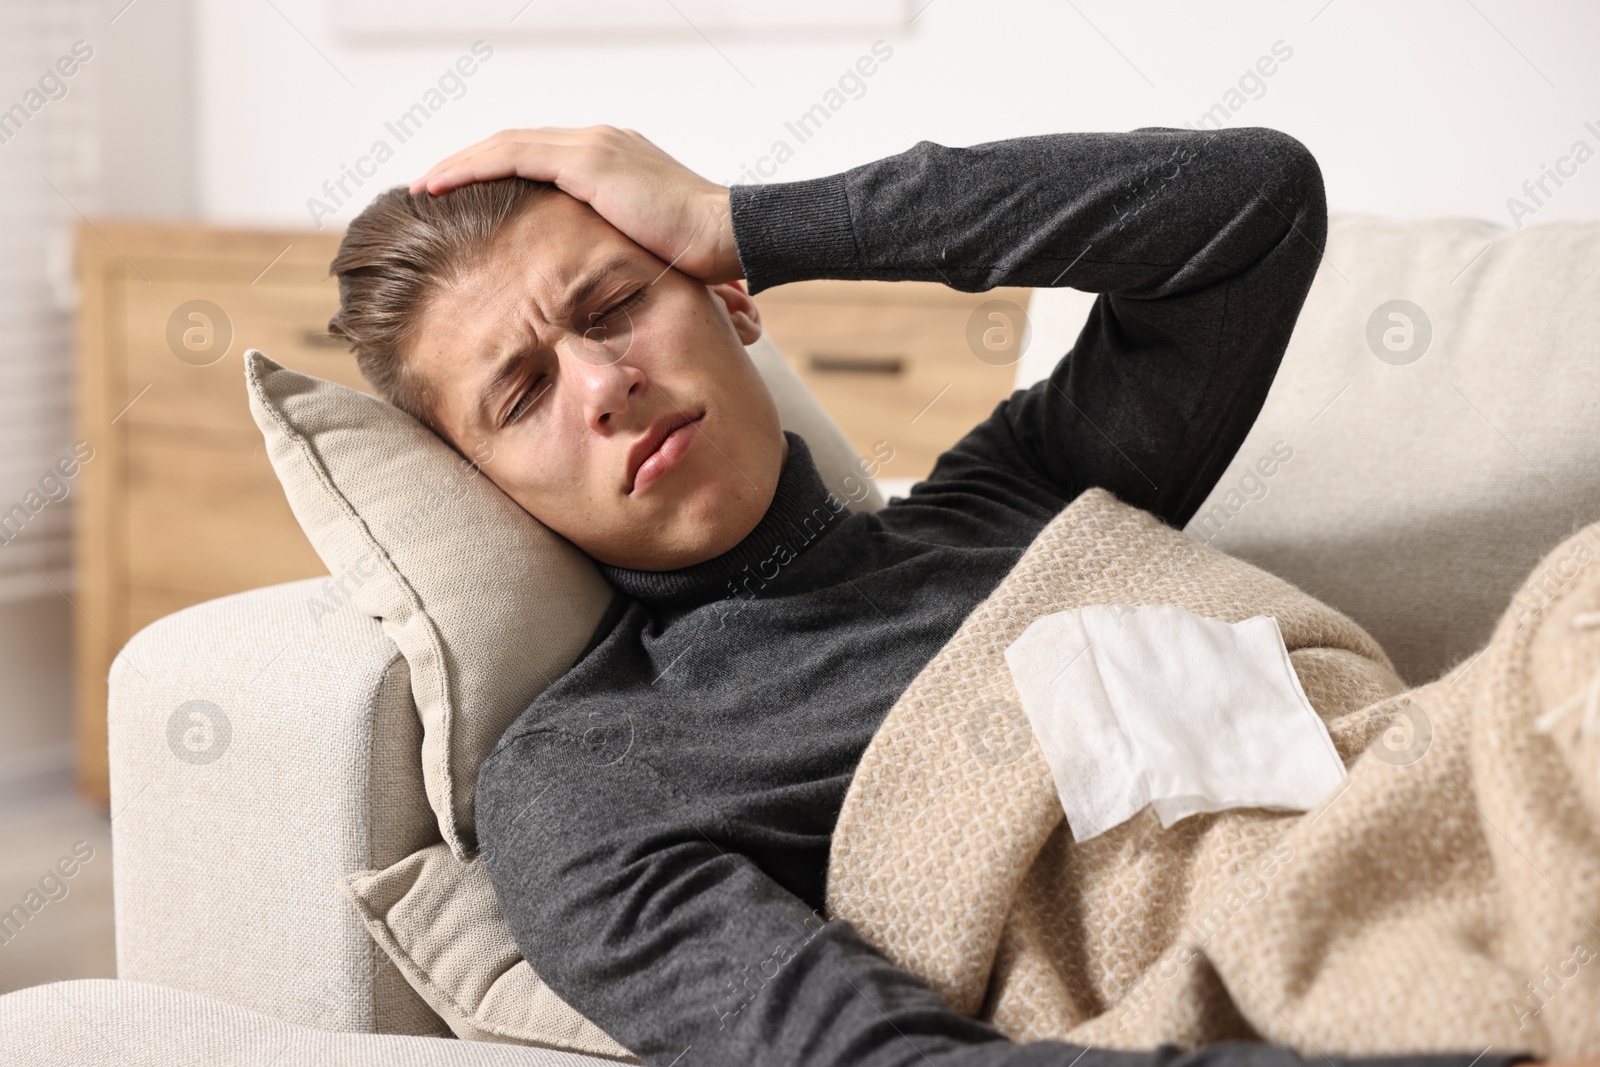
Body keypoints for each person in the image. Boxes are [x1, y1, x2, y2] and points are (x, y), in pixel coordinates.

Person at [326, 125, 1537, 1067]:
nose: (604, 384)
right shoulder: (588, 771)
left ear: (729, 299)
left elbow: (1249, 207)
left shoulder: (1025, 488)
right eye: (524, 391)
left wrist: (741, 217)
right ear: (492, 491)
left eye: (613, 307)